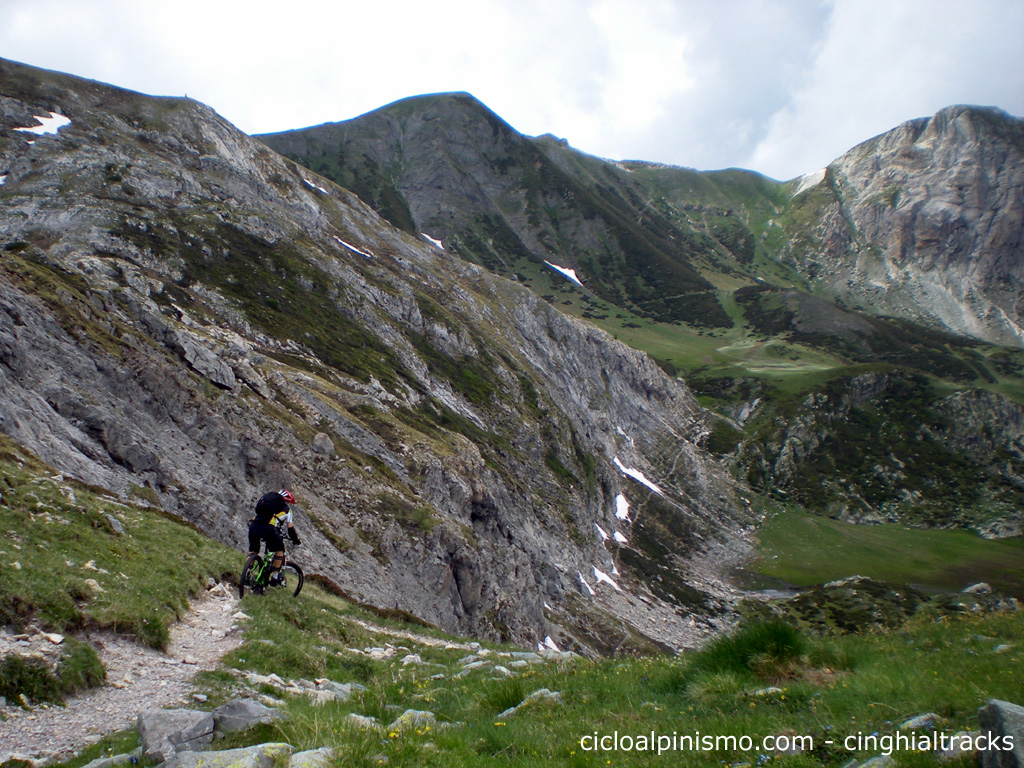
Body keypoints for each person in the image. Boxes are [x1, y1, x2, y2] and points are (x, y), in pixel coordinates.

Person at [248, 489, 301, 586]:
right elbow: (290, 528)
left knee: (253, 550)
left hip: (254, 525)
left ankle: (247, 573)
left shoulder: (267, 501)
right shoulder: (286, 509)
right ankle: (275, 577)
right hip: (268, 528)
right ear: (287, 501)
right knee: (279, 549)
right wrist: (295, 539)